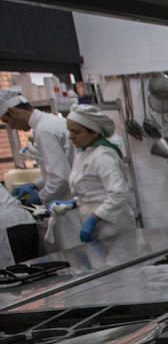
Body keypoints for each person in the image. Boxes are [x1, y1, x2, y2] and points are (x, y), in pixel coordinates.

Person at [64, 104, 136, 243]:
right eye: (70, 131)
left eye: (76, 132)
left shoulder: (103, 156)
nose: (71, 137)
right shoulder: (83, 154)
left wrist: (94, 218)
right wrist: (73, 202)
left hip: (113, 225)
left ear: (94, 133)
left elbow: (119, 193)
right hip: (96, 223)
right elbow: (92, 190)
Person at [1, 87, 75, 205]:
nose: (12, 127)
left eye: (7, 121)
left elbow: (60, 178)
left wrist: (41, 197)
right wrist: (34, 185)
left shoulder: (44, 130)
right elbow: (57, 170)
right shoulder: (49, 122)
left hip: (70, 200)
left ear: (13, 111)